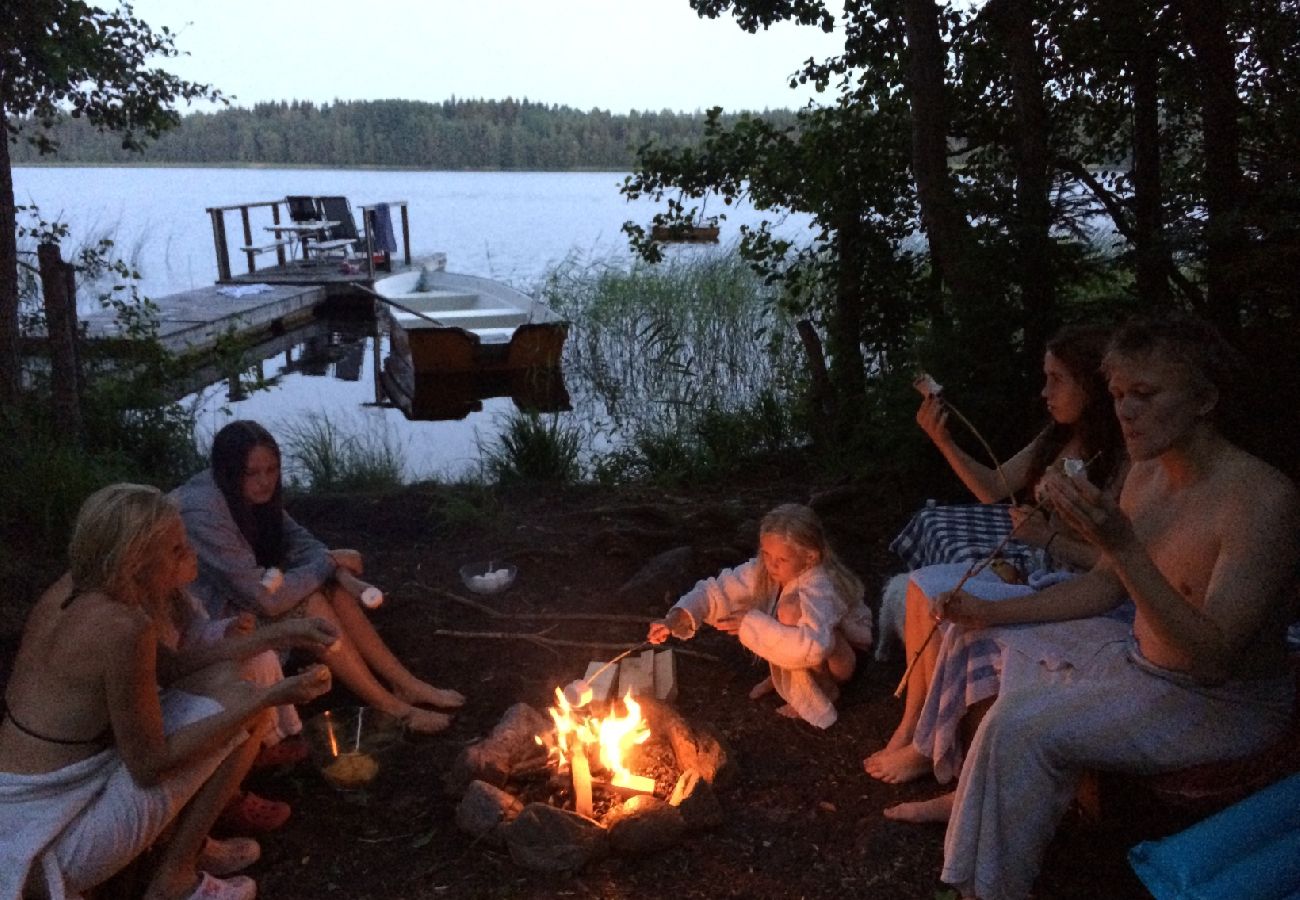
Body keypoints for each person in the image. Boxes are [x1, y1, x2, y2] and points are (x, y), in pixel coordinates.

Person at [937, 315, 1298, 899]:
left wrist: (1123, 544)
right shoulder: (1146, 474)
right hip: (1144, 665)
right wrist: (988, 612)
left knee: (1021, 726)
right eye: (1119, 395)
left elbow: (1211, 659)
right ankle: (968, 846)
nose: (1126, 411)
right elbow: (1105, 589)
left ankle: (987, 888)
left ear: (1205, 399)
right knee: (1010, 658)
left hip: (1223, 705)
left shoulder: (1261, 502)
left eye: (1146, 395)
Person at [0, 483, 332, 900]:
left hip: (21, 790)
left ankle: (180, 849)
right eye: (176, 550)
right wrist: (266, 698)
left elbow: (172, 668)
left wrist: (282, 632)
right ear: (136, 562)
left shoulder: (78, 588)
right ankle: (174, 877)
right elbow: (149, 765)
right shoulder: (124, 628)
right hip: (47, 832)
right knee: (248, 705)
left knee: (232, 685)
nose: (190, 553)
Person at [867, 325, 1127, 786]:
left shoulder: (1120, 458)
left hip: (1072, 587)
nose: (1045, 391)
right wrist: (944, 441)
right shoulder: (1055, 437)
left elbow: (1118, 566)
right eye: (1045, 377)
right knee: (920, 586)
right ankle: (911, 727)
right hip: (1037, 570)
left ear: (1091, 384)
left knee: (959, 615)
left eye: (1057, 379)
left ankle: (931, 749)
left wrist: (1045, 539)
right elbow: (992, 487)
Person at [174, 420, 465, 735]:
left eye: (272, 470)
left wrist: (332, 567)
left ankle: (405, 684)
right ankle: (391, 708)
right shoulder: (202, 513)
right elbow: (266, 600)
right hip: (212, 623)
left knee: (330, 587)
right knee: (310, 603)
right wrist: (329, 563)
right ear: (230, 472)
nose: (265, 482)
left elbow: (300, 541)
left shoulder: (250, 495)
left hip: (248, 596)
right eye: (252, 473)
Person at [647, 503, 873, 729]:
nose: (771, 564)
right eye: (766, 554)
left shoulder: (820, 585)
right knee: (774, 622)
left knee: (788, 612)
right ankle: (786, 677)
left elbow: (815, 647)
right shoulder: (765, 570)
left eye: (781, 559)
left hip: (845, 658)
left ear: (810, 557)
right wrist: (676, 618)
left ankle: (823, 689)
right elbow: (716, 592)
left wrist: (752, 625)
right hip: (811, 648)